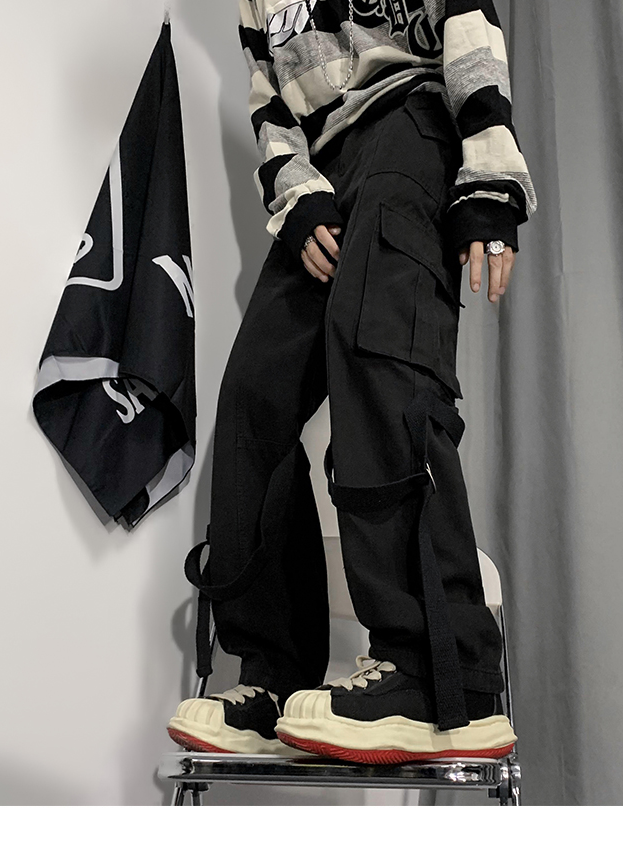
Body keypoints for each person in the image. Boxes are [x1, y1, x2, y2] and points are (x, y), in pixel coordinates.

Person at [167, 0, 537, 764]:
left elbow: (468, 22)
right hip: (325, 170)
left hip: (412, 121)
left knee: (381, 368)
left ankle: (442, 677)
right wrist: (297, 195)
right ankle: (273, 671)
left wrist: (488, 174)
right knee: (254, 400)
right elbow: (271, 105)